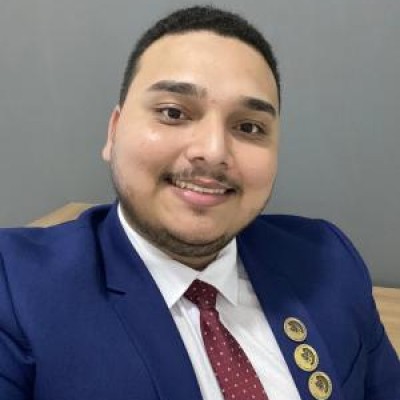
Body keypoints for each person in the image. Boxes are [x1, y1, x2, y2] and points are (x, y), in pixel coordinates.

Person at [0, 5, 399, 400]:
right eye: (173, 113)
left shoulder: (328, 260)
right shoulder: (16, 286)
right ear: (114, 132)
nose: (213, 151)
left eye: (249, 127)